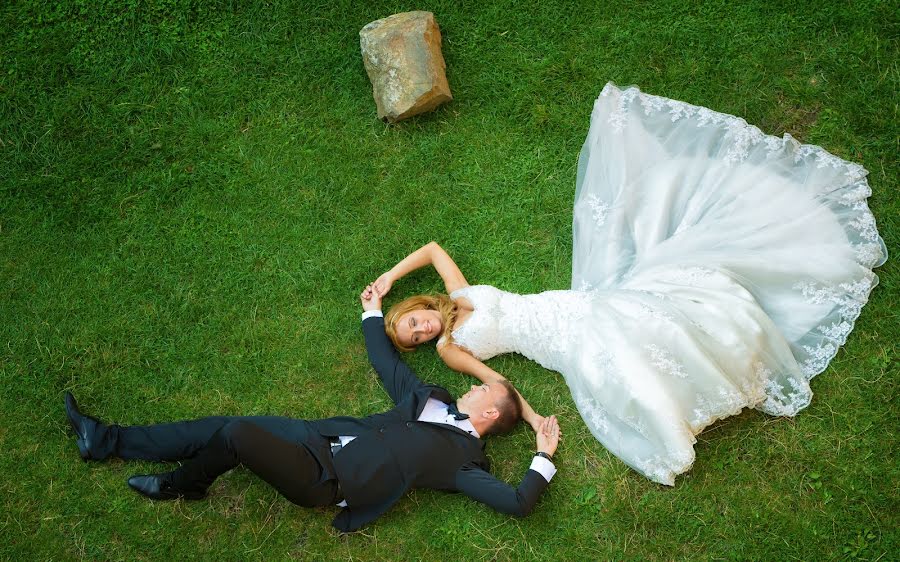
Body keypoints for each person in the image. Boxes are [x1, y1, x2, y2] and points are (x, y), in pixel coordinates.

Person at [368, 83, 887, 486]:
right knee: (624, 364)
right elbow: (498, 386)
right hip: (559, 342)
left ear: (419, 306)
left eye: (415, 320)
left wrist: (387, 280)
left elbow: (434, 250)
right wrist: (533, 423)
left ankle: (726, 358)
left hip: (573, 305)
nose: (423, 329)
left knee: (658, 316)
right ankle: (680, 422)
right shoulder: (452, 348)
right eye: (416, 336)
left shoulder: (458, 296)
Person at [63, 286, 561, 533]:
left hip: (327, 481)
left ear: (490, 416)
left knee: (236, 434)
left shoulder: (464, 465)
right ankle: (106, 441)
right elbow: (386, 364)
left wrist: (543, 456)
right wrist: (372, 311)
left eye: (480, 392)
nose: (470, 389)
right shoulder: (428, 397)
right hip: (315, 438)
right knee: (218, 427)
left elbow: (517, 503)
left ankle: (184, 484)